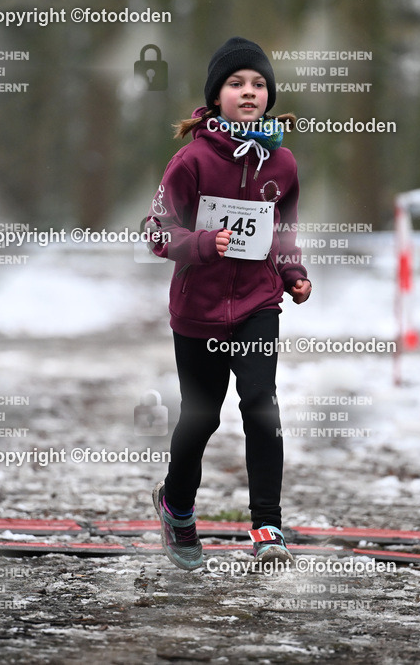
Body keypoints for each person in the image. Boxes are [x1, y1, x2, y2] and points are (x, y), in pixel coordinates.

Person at [144, 37, 311, 570]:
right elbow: (155, 231)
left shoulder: (282, 163)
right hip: (198, 312)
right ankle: (177, 508)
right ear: (216, 95)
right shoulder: (191, 160)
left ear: (269, 95)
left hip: (259, 306)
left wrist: (293, 274)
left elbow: (283, 231)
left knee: (262, 407)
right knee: (202, 416)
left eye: (258, 84)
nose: (249, 92)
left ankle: (267, 526)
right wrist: (197, 244)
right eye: (236, 83)